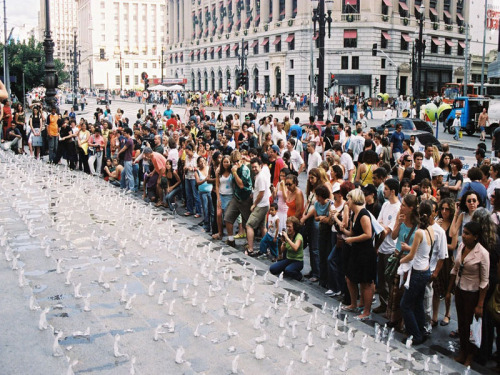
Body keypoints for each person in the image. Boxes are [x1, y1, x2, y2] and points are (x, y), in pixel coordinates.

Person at [446, 221, 490, 367]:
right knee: (462, 323)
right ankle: (463, 351)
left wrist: (480, 304)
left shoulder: (483, 254)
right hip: (460, 290)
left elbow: (484, 281)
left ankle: (470, 354)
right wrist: (449, 291)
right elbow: (455, 269)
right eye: (463, 233)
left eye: (467, 234)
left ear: (476, 237)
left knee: (471, 326)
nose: (463, 236)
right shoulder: (461, 246)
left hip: (473, 294)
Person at [341, 188, 376, 320]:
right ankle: (353, 303)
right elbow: (352, 232)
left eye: (348, 199)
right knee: (349, 277)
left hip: (365, 253)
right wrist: (344, 230)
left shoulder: (363, 214)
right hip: (356, 251)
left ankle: (366, 311)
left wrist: (352, 239)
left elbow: (368, 234)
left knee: (365, 282)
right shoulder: (353, 214)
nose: (347, 202)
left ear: (354, 199)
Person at [373, 179, 401, 315]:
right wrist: (382, 226)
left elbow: (388, 230)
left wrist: (383, 226)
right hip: (381, 247)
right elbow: (378, 224)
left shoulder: (398, 208)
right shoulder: (384, 205)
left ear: (393, 191)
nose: (383, 191)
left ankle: (391, 307)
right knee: (381, 280)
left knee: (390, 281)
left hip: (390, 248)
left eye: (386, 189)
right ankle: (383, 304)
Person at [224, 150, 253, 247]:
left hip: (246, 198)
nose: (236, 163)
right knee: (228, 217)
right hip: (237, 197)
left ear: (241, 160)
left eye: (237, 161)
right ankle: (230, 239)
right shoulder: (233, 168)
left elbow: (241, 185)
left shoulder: (244, 170)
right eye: (234, 162)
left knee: (247, 222)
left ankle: (249, 243)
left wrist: (235, 173)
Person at [246, 157, 271, 256]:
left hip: (261, 205)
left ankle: (250, 249)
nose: (254, 169)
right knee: (262, 226)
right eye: (252, 167)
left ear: (260, 166)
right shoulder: (260, 175)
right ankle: (265, 249)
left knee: (249, 225)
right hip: (264, 204)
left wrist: (254, 204)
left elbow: (261, 192)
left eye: (255, 167)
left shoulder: (260, 177)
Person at [269, 216, 304, 281]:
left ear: (295, 227)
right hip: (289, 259)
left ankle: (299, 275)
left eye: (289, 227)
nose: (288, 229)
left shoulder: (299, 237)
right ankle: (286, 269)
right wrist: (283, 242)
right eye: (287, 226)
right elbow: (281, 252)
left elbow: (295, 248)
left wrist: (287, 238)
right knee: (272, 269)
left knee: (288, 270)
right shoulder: (288, 235)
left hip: (298, 261)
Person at [194, 156, 214, 233]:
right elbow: (198, 182)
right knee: (205, 209)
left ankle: (213, 226)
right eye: (200, 161)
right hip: (202, 192)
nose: (202, 163)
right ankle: (207, 226)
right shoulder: (197, 172)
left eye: (203, 161)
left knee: (211, 210)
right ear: (198, 163)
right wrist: (205, 180)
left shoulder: (209, 168)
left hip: (210, 191)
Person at [117, 127, 135, 193]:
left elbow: (124, 148)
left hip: (128, 159)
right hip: (126, 159)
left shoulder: (129, 141)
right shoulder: (129, 140)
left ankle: (131, 188)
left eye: (125, 133)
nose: (124, 135)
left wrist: (119, 153)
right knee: (123, 173)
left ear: (128, 133)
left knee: (129, 174)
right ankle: (125, 187)